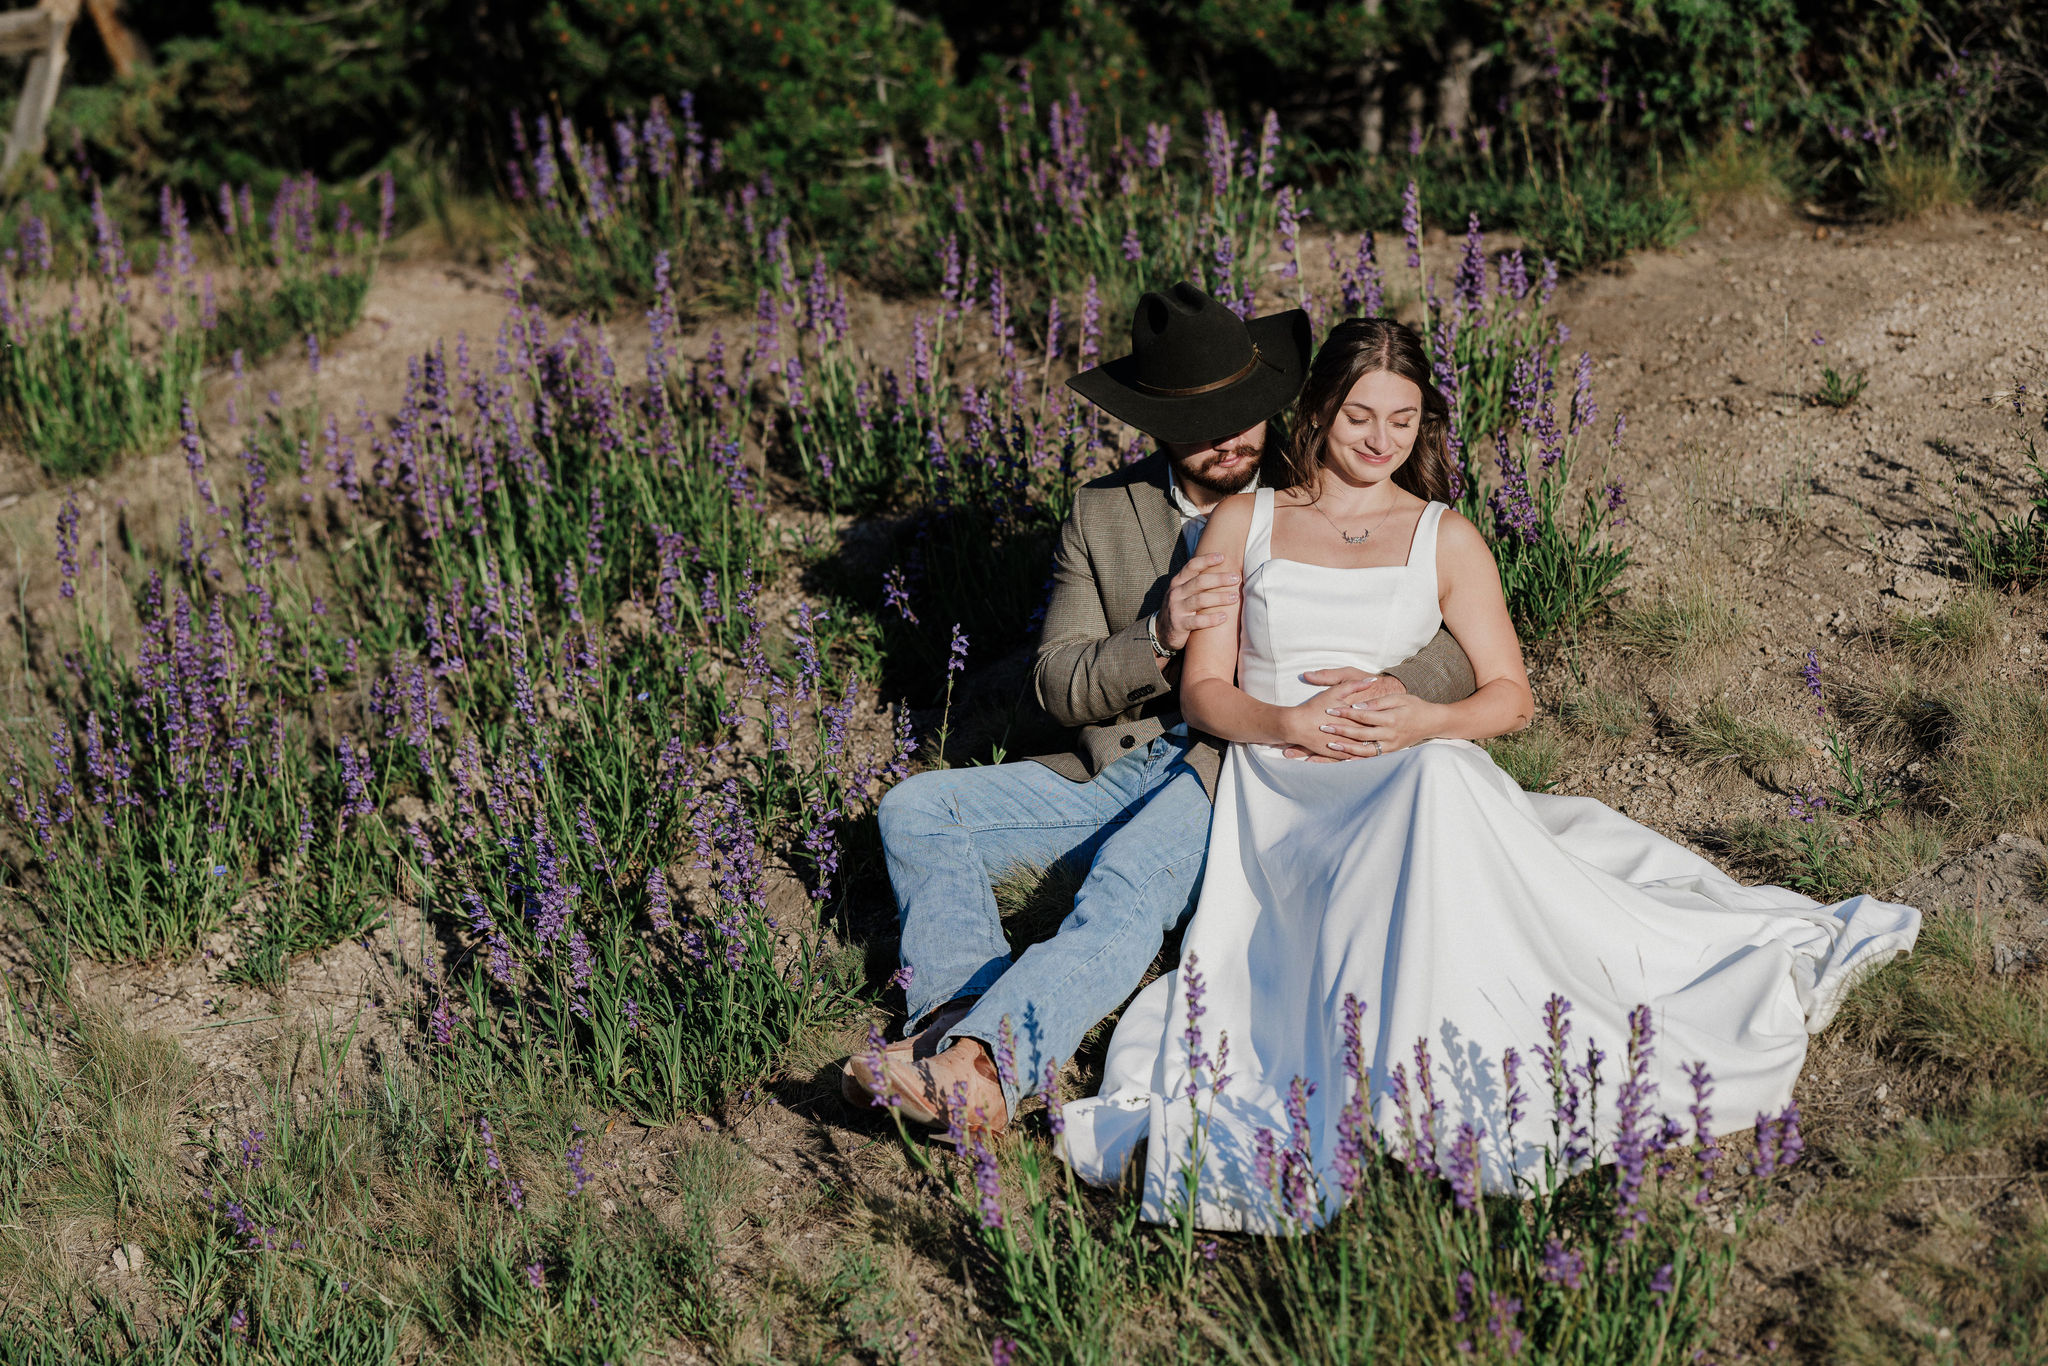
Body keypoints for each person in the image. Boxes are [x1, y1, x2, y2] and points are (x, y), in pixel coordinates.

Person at [1058, 316, 1923, 1231]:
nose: (1379, 440)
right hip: (1283, 787)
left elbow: (1511, 697)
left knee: (1439, 780)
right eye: (1359, 416)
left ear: (1424, 423)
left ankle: (1452, 1059)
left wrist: (1423, 718)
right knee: (1430, 789)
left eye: (1403, 419)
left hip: (1408, 765)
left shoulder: (1446, 537)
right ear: (1316, 412)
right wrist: (1289, 721)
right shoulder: (1248, 519)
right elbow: (1204, 697)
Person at [841, 286, 1477, 1131]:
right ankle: (950, 1026)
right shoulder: (1104, 514)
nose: (1230, 438)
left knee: (1130, 880)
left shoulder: (1324, 478)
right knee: (916, 808)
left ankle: (991, 1061)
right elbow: (1056, 683)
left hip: (1247, 769)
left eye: (1246, 413)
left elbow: (1446, 624)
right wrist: (1158, 633)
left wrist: (1392, 692)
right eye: (1198, 422)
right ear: (1148, 421)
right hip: (1121, 761)